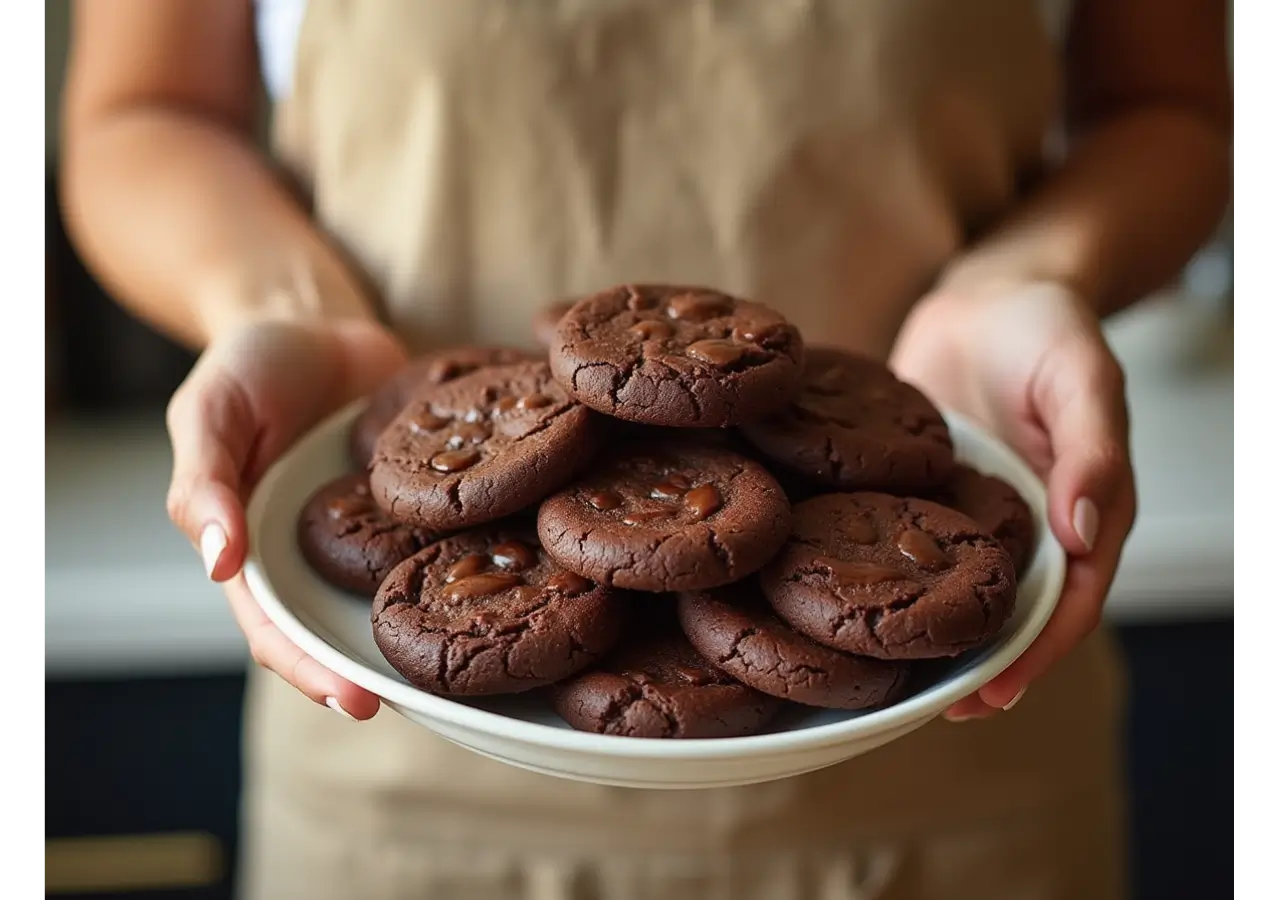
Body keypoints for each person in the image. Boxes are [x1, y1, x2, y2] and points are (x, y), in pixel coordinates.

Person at [59, 1, 1232, 897]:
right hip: (396, 775)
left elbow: (1168, 108)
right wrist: (279, 300)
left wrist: (1030, 276)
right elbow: (142, 113)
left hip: (960, 753)